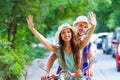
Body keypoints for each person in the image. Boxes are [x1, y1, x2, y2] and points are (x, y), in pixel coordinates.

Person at [27, 12, 97, 80]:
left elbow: (93, 58)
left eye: (85, 27)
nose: (83, 29)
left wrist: (90, 69)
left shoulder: (85, 43)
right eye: (80, 26)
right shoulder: (59, 47)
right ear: (74, 26)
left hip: (82, 73)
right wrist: (46, 72)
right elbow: (51, 55)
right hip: (63, 74)